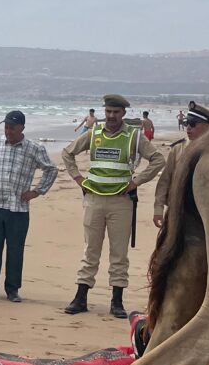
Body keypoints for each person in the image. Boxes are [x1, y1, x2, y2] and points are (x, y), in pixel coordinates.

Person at [60, 93, 165, 318]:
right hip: (94, 200)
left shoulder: (134, 136)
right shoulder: (94, 133)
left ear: (123, 113)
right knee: (90, 250)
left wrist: (136, 182)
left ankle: (117, 301)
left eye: (116, 112)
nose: (111, 116)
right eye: (108, 111)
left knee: (119, 253)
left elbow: (158, 160)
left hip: (121, 202)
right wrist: (78, 179)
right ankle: (80, 298)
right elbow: (67, 153)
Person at [0, 110, 57, 302]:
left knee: (16, 249)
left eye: (12, 128)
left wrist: (37, 191)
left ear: (22, 128)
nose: (8, 131)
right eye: (6, 127)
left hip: (19, 209)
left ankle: (12, 289)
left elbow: (51, 169)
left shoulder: (34, 148)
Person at [153, 101, 209, 228]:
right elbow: (165, 180)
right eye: (187, 123)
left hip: (207, 216)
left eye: (193, 124)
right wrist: (158, 210)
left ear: (208, 126)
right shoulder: (178, 150)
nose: (188, 128)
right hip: (179, 212)